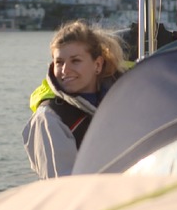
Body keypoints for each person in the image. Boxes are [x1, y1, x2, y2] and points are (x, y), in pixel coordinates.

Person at [22, 20, 128, 179]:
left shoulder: (121, 98)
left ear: (97, 64)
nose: (65, 70)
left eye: (75, 61)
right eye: (59, 62)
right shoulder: (49, 119)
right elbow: (62, 186)